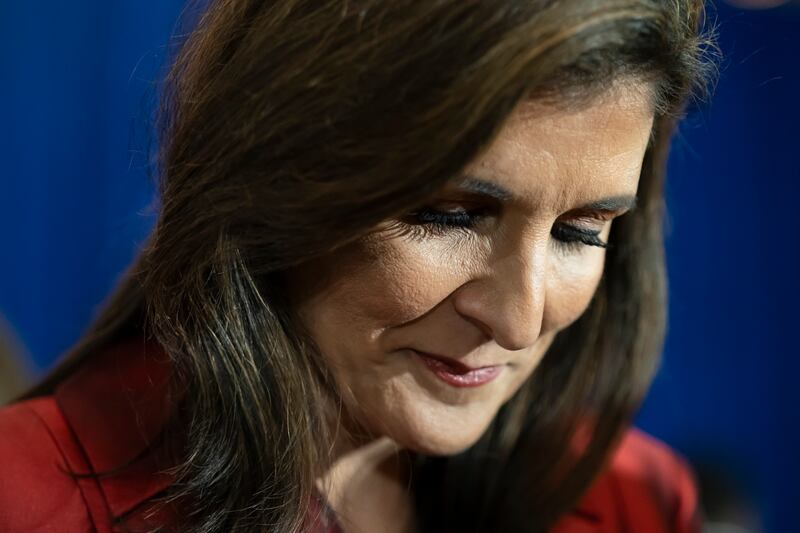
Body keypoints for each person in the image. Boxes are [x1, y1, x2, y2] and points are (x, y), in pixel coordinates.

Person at [0, 0, 716, 531]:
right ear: (272, 174)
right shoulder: (26, 499)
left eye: (580, 232)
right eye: (449, 215)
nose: (519, 317)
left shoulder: (637, 500)